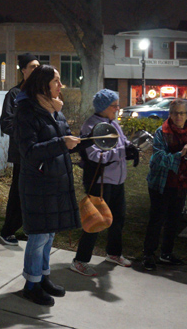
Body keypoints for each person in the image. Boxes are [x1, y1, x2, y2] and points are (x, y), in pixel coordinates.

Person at [14, 64, 81, 306]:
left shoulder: (55, 110)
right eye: (56, 81)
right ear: (43, 84)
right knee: (39, 237)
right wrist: (63, 142)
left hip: (55, 183)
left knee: (49, 234)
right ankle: (31, 285)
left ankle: (42, 278)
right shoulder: (27, 112)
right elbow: (29, 151)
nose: (60, 86)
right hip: (38, 184)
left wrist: (81, 142)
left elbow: (64, 139)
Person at [70, 89, 135, 277]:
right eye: (114, 105)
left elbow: (120, 143)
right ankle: (80, 261)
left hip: (116, 180)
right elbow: (95, 156)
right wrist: (122, 153)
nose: (117, 108)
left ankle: (114, 253)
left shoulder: (113, 123)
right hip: (99, 181)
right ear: (103, 107)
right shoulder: (91, 127)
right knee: (95, 221)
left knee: (117, 218)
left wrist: (130, 146)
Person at [142, 99, 187, 271]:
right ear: (170, 114)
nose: (178, 116)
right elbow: (158, 158)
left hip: (181, 183)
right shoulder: (162, 132)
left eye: (182, 113)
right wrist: (180, 154)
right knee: (157, 219)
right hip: (161, 182)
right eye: (175, 113)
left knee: (174, 220)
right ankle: (148, 254)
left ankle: (166, 253)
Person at [0, 53, 39, 246]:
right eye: (32, 66)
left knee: (37, 194)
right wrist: (26, 134)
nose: (36, 69)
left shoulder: (42, 94)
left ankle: (31, 228)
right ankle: (8, 230)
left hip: (40, 153)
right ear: (23, 70)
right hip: (23, 154)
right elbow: (6, 123)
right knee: (19, 193)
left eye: (38, 66)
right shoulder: (14, 94)